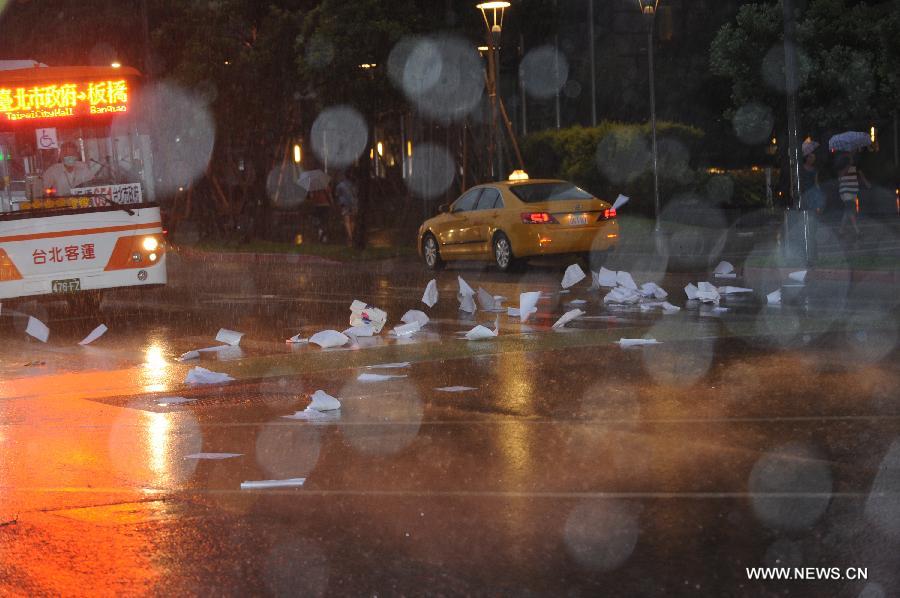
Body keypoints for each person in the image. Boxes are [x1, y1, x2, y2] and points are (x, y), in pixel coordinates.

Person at [836, 151, 870, 237]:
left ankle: (840, 231)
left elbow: (860, 173)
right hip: (845, 190)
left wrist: (866, 182)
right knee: (850, 209)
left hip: (853, 189)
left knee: (848, 211)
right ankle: (857, 231)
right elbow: (840, 175)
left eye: (852, 152)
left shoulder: (856, 163)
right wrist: (848, 164)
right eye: (850, 152)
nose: (852, 153)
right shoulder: (841, 162)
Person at [335, 171, 359, 247]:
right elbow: (356, 193)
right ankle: (351, 233)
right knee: (352, 220)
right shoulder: (354, 185)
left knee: (346, 220)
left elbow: (337, 194)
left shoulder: (340, 185)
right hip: (354, 204)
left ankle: (350, 236)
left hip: (344, 204)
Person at [799, 139, 823, 213]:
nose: (813, 160)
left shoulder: (814, 169)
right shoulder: (801, 168)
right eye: (811, 157)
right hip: (804, 192)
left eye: (813, 158)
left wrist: (819, 192)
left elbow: (816, 182)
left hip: (812, 192)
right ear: (807, 158)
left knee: (813, 210)